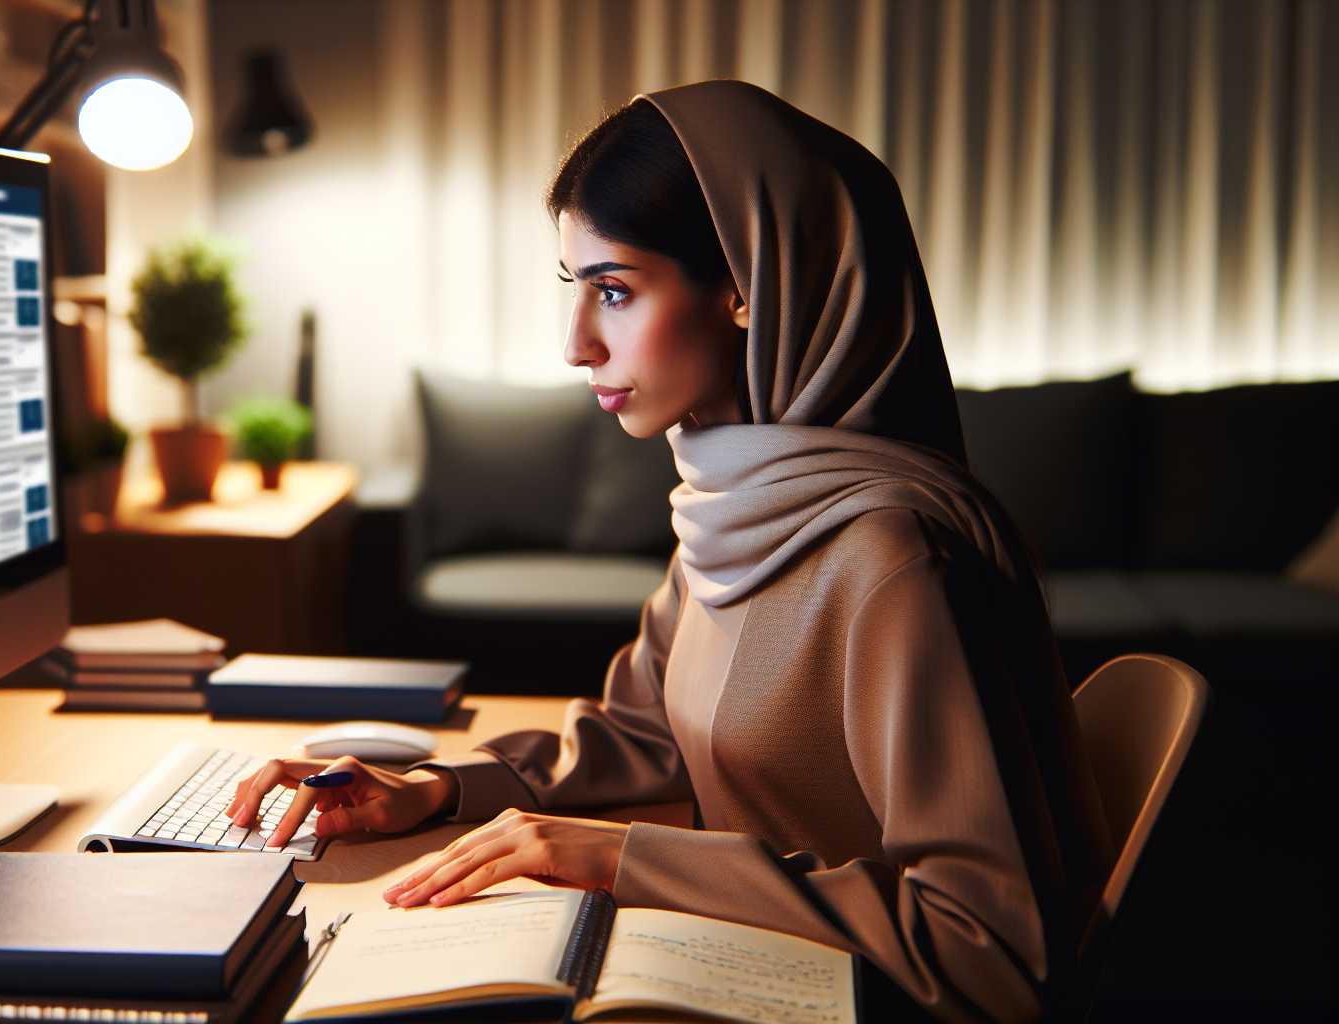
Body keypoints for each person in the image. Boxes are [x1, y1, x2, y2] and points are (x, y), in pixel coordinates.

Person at [225, 79, 1114, 1023]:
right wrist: (436, 790)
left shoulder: (895, 558)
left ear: (744, 287)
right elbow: (641, 739)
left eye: (614, 291)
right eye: (578, 292)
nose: (576, 346)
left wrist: (616, 857)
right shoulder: (738, 503)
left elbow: (990, 951)